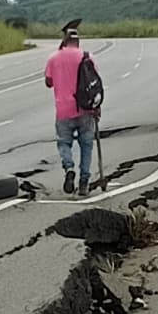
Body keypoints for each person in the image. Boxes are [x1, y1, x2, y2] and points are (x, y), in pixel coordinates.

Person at [43, 32, 103, 194]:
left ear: (64, 41)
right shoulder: (86, 56)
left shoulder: (54, 58)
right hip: (85, 108)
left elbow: (48, 82)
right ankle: (84, 182)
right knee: (86, 145)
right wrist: (97, 107)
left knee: (64, 143)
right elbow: (95, 82)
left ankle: (69, 167)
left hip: (63, 110)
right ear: (77, 41)